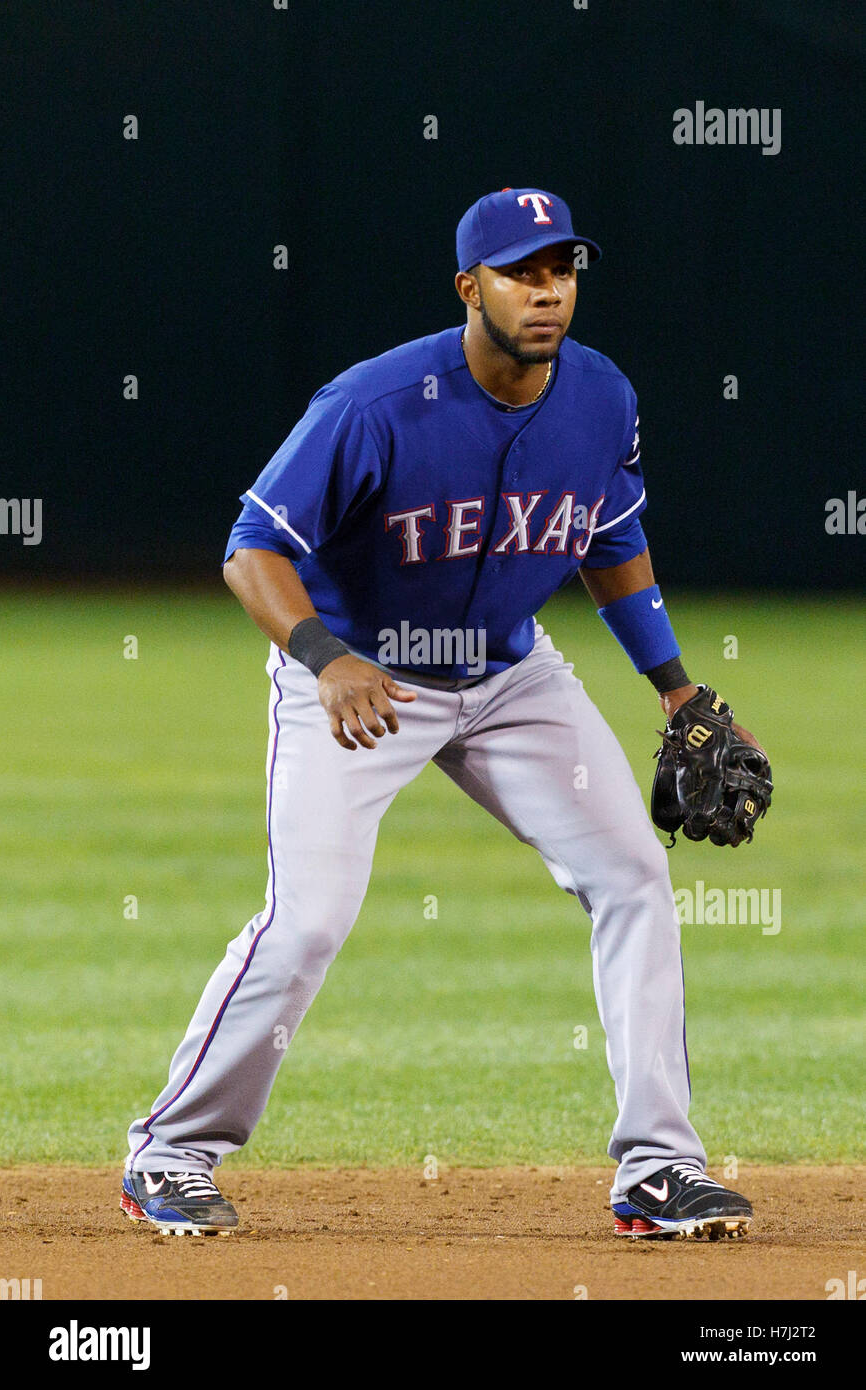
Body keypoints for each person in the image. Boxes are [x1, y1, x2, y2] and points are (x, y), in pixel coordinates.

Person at [122, 187, 761, 1241]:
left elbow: (611, 542)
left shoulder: (601, 397)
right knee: (310, 917)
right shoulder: (373, 405)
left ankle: (658, 1168)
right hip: (359, 680)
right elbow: (251, 547)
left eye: (561, 271)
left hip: (513, 676)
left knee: (635, 877)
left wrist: (677, 687)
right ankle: (172, 1150)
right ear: (471, 288)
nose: (547, 292)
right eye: (522, 272)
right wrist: (323, 659)